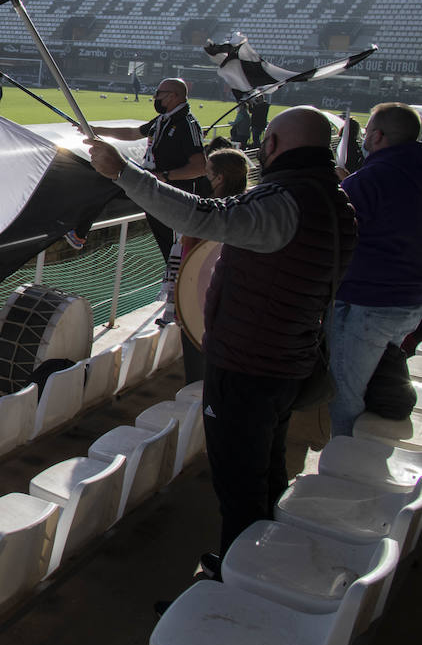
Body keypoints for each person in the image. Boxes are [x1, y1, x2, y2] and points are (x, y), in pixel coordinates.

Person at [86, 107, 356, 566]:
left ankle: (239, 579)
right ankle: (263, 558)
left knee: (239, 483)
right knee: (267, 468)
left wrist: (121, 173)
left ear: (271, 146)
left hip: (250, 366)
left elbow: (200, 217)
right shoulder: (337, 205)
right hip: (290, 360)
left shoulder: (283, 204)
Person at [327, 103, 422, 437]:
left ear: (378, 136)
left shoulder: (369, 179)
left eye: (368, 132)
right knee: (371, 380)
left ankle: (343, 468)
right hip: (409, 304)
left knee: (343, 393)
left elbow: (332, 234)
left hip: (366, 304)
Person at [89, 77, 208, 261]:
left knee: (175, 248)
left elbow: (200, 167)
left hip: (173, 197)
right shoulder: (162, 119)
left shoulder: (187, 123)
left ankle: (178, 284)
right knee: (109, 181)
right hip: (153, 189)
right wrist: (95, 130)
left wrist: (165, 176)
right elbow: (132, 133)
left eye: (159, 94)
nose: (155, 97)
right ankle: (81, 229)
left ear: (174, 96)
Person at [167, 147, 251, 384]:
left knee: (198, 372)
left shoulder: (206, 214)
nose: (204, 177)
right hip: (239, 310)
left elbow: (188, 264)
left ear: (219, 178)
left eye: (208, 172)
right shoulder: (251, 210)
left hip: (200, 306)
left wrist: (178, 305)